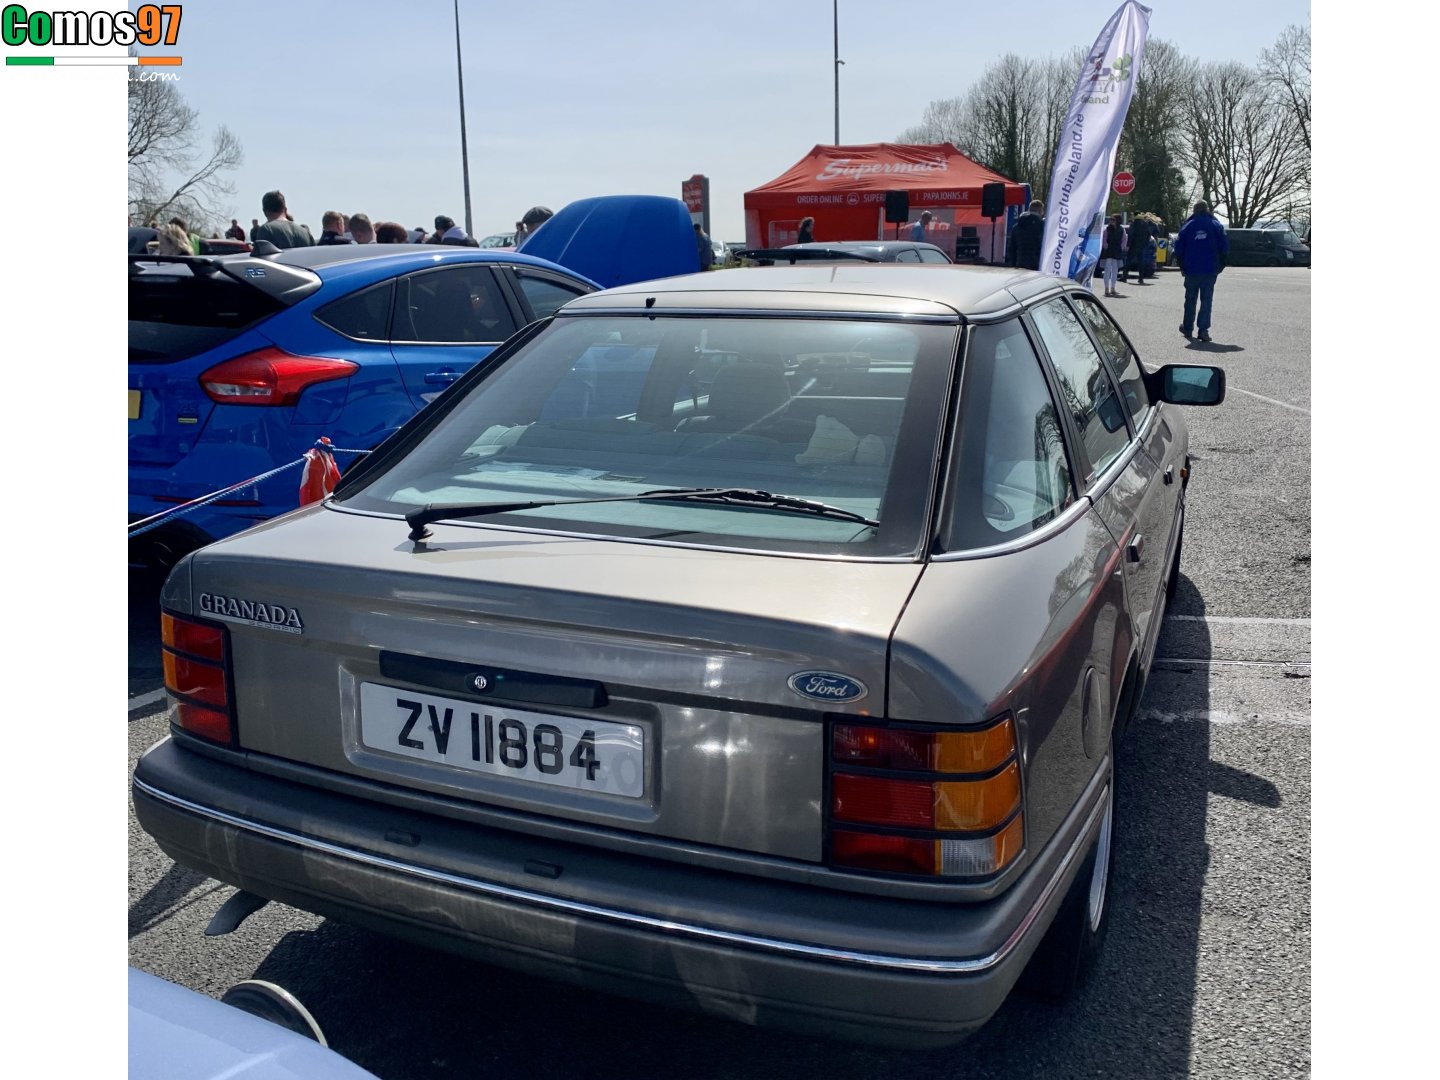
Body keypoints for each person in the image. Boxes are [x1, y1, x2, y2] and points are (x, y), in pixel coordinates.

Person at [1173, 200, 1229, 342]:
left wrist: (1182, 266)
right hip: (1210, 269)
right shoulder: (1215, 225)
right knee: (1206, 300)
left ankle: (1187, 327)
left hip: (1191, 269)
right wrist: (1220, 266)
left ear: (1195, 210)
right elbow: (1225, 247)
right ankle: (1203, 330)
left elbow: (1178, 247)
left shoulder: (1188, 226)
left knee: (1190, 299)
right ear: (1206, 209)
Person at [1008, 199, 1044, 270]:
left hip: (1020, 265)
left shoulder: (1016, 226)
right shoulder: (1043, 226)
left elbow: (1011, 249)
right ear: (1040, 211)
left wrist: (1013, 265)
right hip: (1037, 266)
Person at [1099, 214, 1125, 297]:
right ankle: (1106, 288)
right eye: (1111, 219)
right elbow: (1103, 239)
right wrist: (1106, 247)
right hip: (1108, 252)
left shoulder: (1121, 229)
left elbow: (1124, 239)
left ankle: (1113, 288)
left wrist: (1121, 247)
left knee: (1115, 271)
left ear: (1118, 220)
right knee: (1107, 270)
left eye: (1113, 220)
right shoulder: (1107, 229)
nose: (1111, 221)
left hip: (1116, 252)